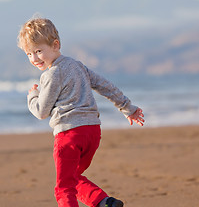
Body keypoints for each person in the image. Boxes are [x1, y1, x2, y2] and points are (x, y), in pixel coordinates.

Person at [17, 17, 145, 207]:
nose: (34, 59)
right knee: (73, 177)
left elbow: (41, 111)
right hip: (92, 133)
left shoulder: (51, 74)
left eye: (38, 51)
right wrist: (128, 107)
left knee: (63, 188)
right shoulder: (77, 65)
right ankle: (104, 202)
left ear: (55, 45)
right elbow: (104, 85)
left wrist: (32, 96)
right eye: (29, 54)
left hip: (68, 136)